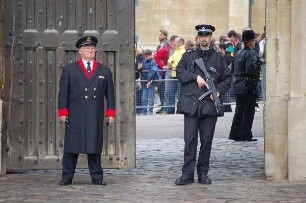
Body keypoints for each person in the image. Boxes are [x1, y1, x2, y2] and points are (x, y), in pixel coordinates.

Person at [175, 24, 232, 185]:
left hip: (209, 106)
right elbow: (179, 72)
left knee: (206, 142)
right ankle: (187, 174)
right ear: (198, 38)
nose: (204, 38)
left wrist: (219, 91)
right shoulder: (189, 56)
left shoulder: (218, 58)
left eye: (207, 36)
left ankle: (202, 173)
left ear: (211, 38)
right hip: (192, 104)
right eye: (201, 36)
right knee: (190, 141)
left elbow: (227, 78)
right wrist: (195, 77)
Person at [58, 36, 116, 186]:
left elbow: (110, 94)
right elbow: (63, 92)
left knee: (94, 148)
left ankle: (97, 177)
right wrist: (63, 112)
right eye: (87, 48)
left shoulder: (104, 70)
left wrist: (110, 113)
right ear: (80, 51)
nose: (91, 51)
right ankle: (66, 177)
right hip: (75, 114)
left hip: (94, 115)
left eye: (92, 48)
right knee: (71, 149)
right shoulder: (70, 69)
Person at [228, 29, 261, 142]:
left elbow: (233, 69)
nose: (255, 43)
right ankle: (246, 134)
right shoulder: (250, 54)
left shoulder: (238, 53)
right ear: (251, 42)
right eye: (253, 41)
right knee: (248, 111)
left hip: (238, 84)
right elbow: (250, 70)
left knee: (239, 111)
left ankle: (235, 133)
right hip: (247, 85)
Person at [167, 36, 186, 114]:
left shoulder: (182, 51)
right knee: (170, 93)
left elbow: (178, 63)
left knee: (179, 94)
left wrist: (172, 62)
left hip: (179, 74)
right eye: (175, 41)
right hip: (174, 74)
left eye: (177, 42)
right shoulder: (176, 51)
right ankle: (170, 111)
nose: (175, 43)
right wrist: (172, 62)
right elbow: (170, 60)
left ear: (181, 43)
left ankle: (179, 110)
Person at [139, 49, 161, 115]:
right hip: (144, 82)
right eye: (145, 57)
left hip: (151, 82)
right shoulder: (143, 61)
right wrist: (139, 68)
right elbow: (140, 70)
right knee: (144, 97)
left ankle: (150, 111)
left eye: (147, 56)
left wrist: (149, 80)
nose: (146, 58)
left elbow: (153, 71)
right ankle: (144, 111)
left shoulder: (153, 62)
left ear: (151, 55)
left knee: (150, 97)